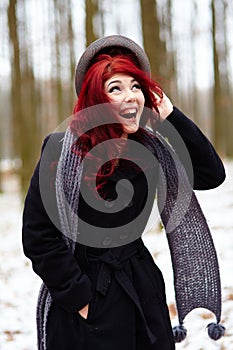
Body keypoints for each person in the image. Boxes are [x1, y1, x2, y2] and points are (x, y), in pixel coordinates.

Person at [22, 35, 226, 350]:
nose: (130, 96)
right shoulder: (61, 150)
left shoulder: (149, 147)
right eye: (115, 89)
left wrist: (172, 116)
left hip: (140, 288)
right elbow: (38, 234)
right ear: (96, 99)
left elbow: (211, 174)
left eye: (135, 87)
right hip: (81, 295)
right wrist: (79, 299)